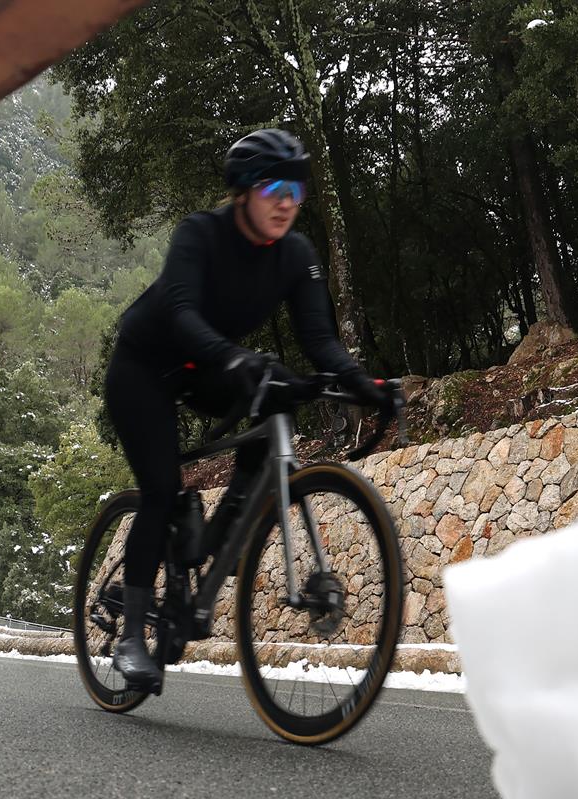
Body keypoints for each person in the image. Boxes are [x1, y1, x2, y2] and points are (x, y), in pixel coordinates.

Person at [104, 127, 401, 692]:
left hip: (213, 367)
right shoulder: (199, 234)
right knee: (161, 489)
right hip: (145, 367)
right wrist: (232, 358)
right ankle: (131, 637)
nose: (288, 200)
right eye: (273, 187)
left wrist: (366, 385)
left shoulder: (296, 254)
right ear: (243, 190)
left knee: (285, 390)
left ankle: (214, 544)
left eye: (297, 187)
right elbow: (182, 311)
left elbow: (321, 340)